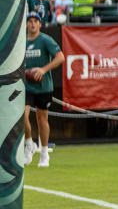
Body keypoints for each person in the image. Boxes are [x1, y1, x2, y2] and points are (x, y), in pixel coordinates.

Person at [23, 13, 64, 168]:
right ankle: (29, 145)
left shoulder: (45, 40)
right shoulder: (22, 42)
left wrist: (43, 69)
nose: (32, 24)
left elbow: (60, 57)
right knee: (22, 116)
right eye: (30, 21)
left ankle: (44, 153)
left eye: (35, 21)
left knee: (42, 120)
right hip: (26, 86)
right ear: (26, 25)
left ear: (40, 24)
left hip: (43, 86)